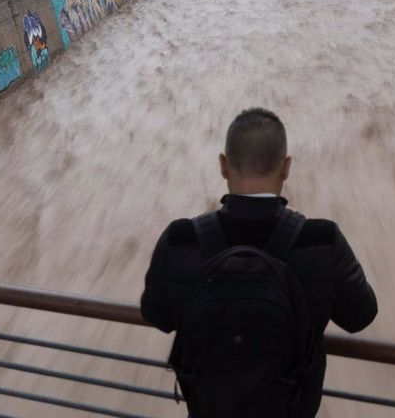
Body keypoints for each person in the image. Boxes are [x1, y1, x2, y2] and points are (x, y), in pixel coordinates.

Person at [141, 108, 377, 418]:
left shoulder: (181, 239)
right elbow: (361, 315)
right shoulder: (321, 240)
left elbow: (156, 314)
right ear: (287, 167)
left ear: (223, 166)